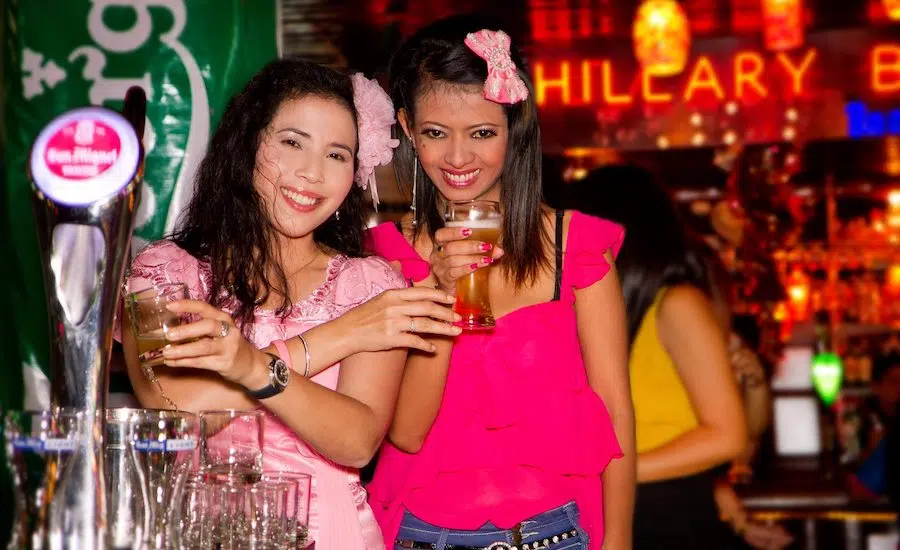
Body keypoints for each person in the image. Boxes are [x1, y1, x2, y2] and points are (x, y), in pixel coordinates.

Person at [118, 58, 462, 550]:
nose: (312, 173)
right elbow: (171, 402)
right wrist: (339, 335)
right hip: (197, 532)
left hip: (330, 534)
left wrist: (251, 368)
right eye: (293, 142)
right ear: (247, 145)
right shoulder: (163, 271)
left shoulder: (371, 285)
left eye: (337, 155)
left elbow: (358, 439)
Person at [365, 15, 635, 550]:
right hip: (422, 535)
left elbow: (616, 412)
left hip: (558, 534)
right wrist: (438, 293)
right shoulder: (382, 262)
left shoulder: (574, 249)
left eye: (483, 133)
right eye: (436, 133)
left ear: (515, 128)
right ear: (407, 128)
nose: (459, 158)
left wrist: (621, 539)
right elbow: (406, 433)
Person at [564, 164, 747, 549]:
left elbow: (727, 435)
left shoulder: (677, 304)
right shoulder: (604, 312)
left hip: (667, 511)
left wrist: (609, 473)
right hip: (624, 506)